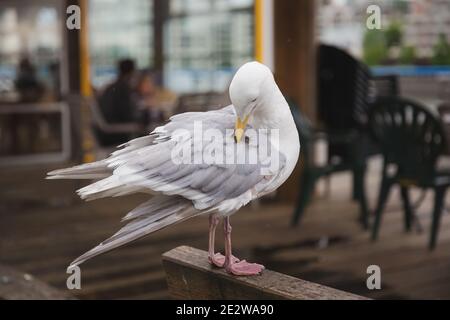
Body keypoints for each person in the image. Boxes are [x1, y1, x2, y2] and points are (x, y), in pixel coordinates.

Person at [98, 58, 139, 124]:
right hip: (116, 126)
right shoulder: (123, 88)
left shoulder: (113, 86)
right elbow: (127, 115)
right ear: (132, 72)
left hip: (108, 123)